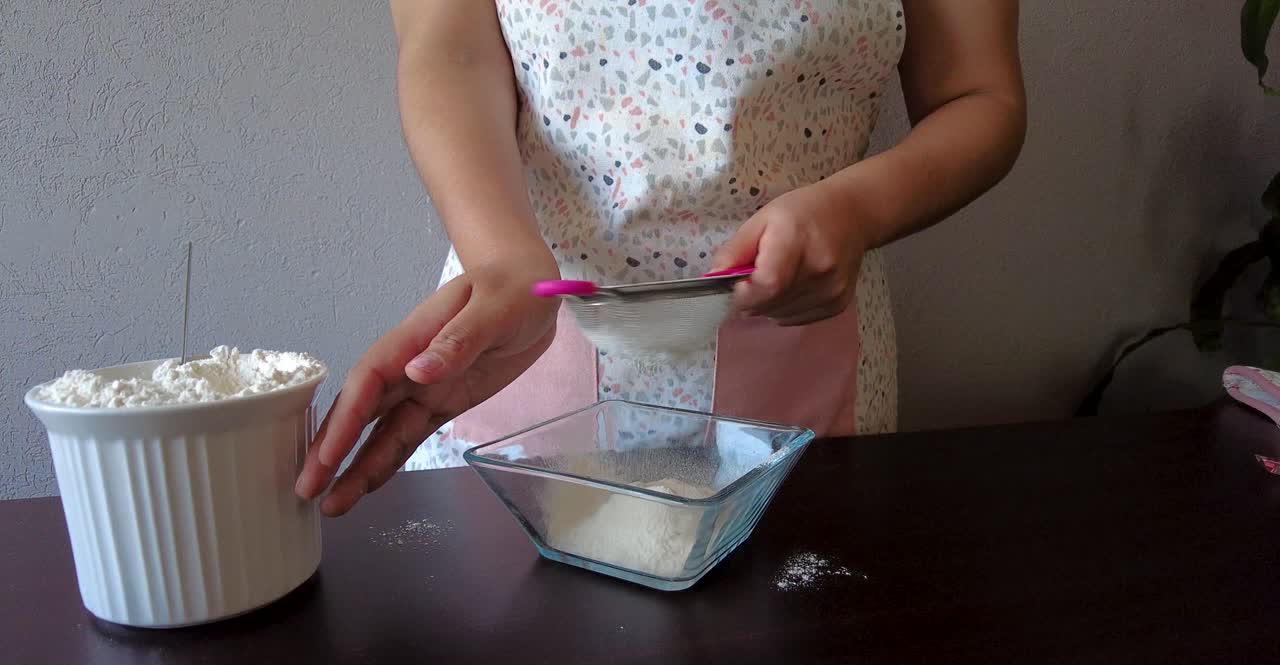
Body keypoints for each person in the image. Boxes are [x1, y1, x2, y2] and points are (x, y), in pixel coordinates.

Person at [296, 0, 1026, 516]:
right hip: (529, 338)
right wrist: (497, 255)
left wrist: (858, 210)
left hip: (802, 361)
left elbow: (980, 93)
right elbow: (446, 42)